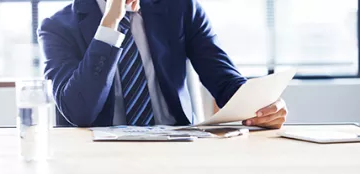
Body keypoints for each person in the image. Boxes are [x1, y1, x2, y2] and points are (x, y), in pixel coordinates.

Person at [38, 0, 288, 128]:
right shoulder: (57, 27)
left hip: (175, 149)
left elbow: (226, 84)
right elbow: (78, 111)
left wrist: (262, 107)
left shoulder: (180, 8)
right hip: (97, 158)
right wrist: (112, 19)